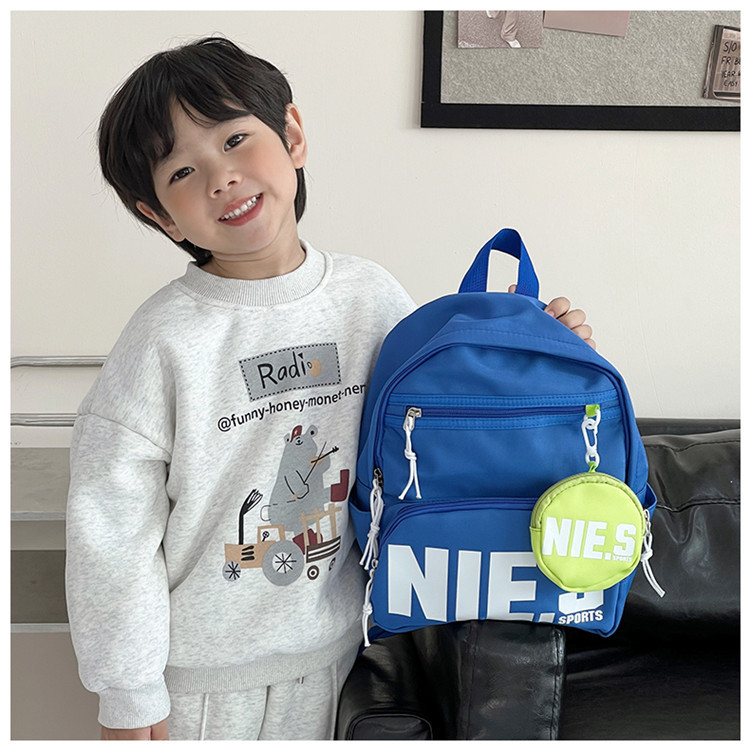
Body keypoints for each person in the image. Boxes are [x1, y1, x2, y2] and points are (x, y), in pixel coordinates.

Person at [65, 36, 595, 742]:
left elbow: (444, 414)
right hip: (198, 686)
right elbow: (111, 534)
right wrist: (130, 697)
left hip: (342, 659)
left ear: (292, 135)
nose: (221, 176)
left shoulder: (370, 297)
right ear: (159, 214)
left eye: (235, 139)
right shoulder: (162, 341)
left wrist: (547, 356)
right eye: (183, 171)